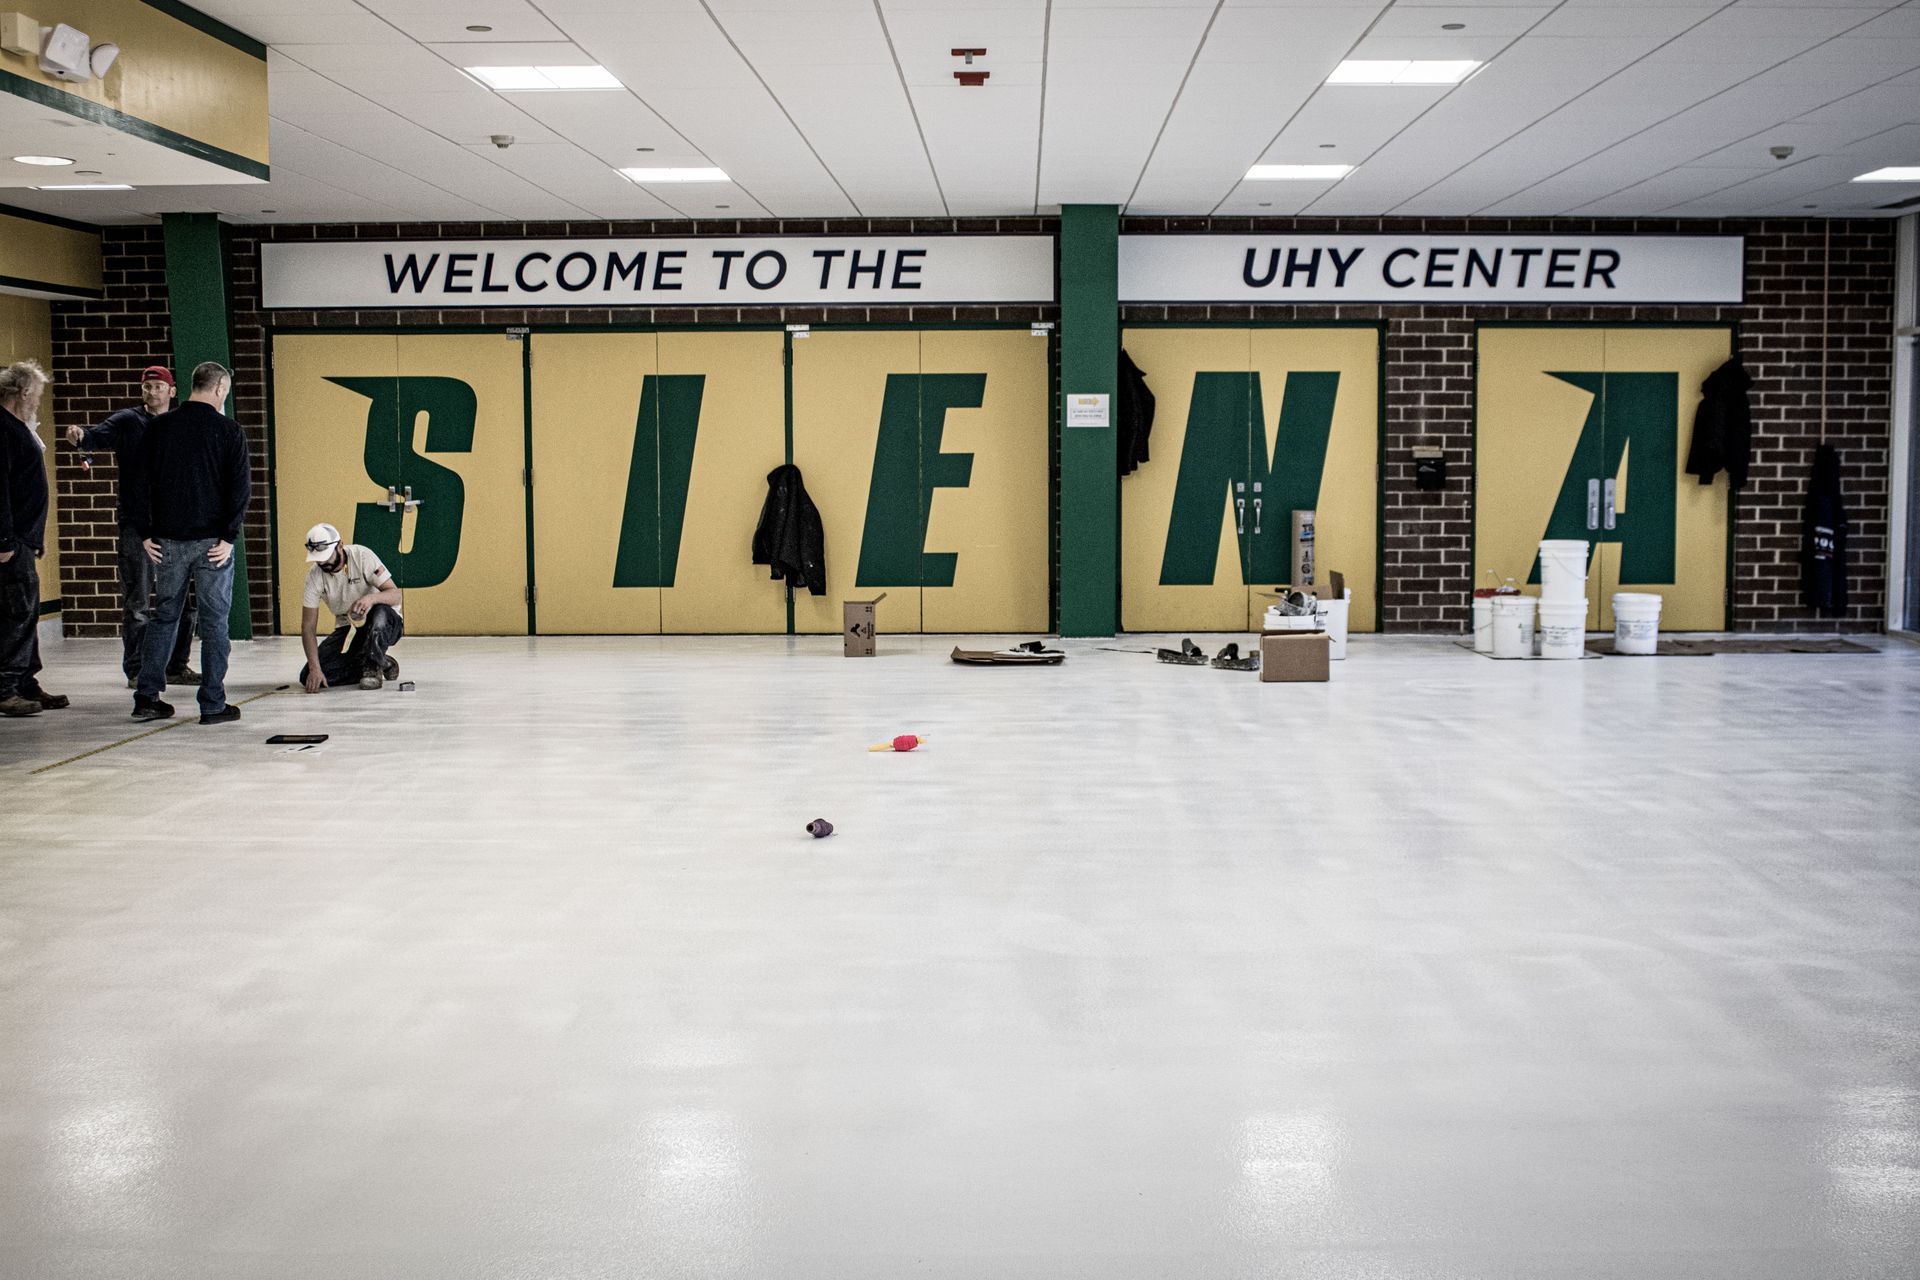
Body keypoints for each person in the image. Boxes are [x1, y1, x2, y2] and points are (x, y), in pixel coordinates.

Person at [130, 361, 250, 725]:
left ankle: (147, 696)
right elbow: (240, 489)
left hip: (167, 542)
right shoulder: (229, 431)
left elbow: (138, 483)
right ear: (219, 389)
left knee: (164, 616)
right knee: (214, 623)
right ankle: (212, 703)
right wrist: (229, 536)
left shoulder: (158, 427)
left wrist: (145, 533)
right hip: (213, 544)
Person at [66, 365, 200, 689]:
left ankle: (176, 665)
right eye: (147, 387)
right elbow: (96, 437)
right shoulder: (128, 421)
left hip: (174, 524)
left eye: (158, 387)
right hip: (136, 525)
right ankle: (137, 669)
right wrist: (80, 436)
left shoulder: (180, 424)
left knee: (184, 600)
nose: (152, 392)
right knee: (138, 600)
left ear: (171, 391)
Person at [0, 360, 68, 718]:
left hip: (24, 539)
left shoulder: (18, 428)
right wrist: (4, 540)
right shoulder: (4, 430)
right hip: (11, 542)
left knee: (27, 613)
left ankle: (26, 681)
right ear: (23, 393)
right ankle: (6, 687)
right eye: (37, 395)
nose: (39, 402)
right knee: (17, 613)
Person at [298, 522, 403, 692]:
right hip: (349, 628)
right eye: (318, 559)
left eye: (327, 556)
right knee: (308, 676)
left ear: (340, 545)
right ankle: (380, 661)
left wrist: (371, 599)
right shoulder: (314, 577)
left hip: (385, 622)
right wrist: (315, 668)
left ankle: (372, 669)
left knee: (379, 612)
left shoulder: (362, 556)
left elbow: (396, 595)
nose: (323, 563)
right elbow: (308, 627)